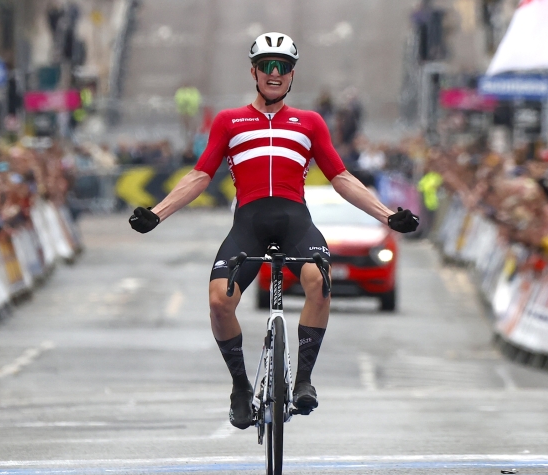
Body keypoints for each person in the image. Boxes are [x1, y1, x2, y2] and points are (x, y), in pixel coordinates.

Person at [129, 32, 420, 429]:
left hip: (295, 222)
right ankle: (240, 387)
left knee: (319, 281)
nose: (274, 73)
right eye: (266, 65)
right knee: (218, 301)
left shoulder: (310, 123)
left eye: (282, 67)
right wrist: (156, 214)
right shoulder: (229, 121)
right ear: (254, 72)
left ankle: (303, 381)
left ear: (292, 75)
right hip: (248, 224)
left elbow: (342, 178)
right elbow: (199, 176)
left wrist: (387, 216)